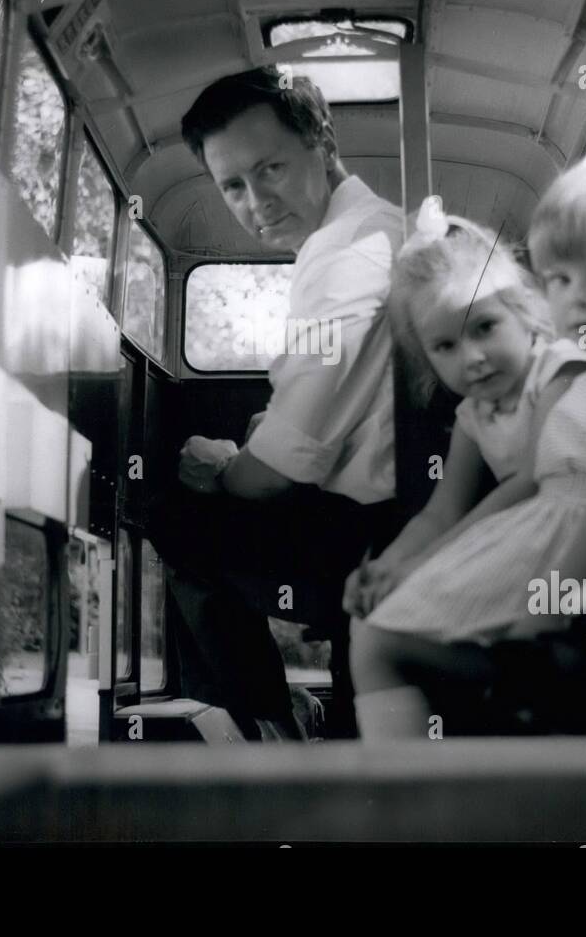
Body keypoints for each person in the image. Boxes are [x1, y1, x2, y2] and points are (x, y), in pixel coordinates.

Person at [349, 160, 586, 740]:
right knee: (382, 638)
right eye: (561, 280)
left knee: (386, 644)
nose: (579, 299)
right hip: (570, 556)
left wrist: (545, 607)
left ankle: (409, 794)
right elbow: (458, 507)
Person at [149, 66, 405, 741]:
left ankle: (268, 721)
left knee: (178, 524)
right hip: (384, 509)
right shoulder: (370, 233)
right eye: (233, 184)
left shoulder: (347, 256)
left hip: (374, 527)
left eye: (271, 168)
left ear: (322, 140)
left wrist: (223, 466)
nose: (255, 199)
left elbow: (275, 475)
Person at [341, 196, 586, 620]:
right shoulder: (474, 416)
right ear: (427, 359)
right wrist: (387, 565)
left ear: (525, 312)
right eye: (445, 346)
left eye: (484, 327)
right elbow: (441, 513)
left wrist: (424, 565)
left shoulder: (559, 372)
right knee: (386, 620)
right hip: (538, 545)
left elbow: (530, 482)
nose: (472, 357)